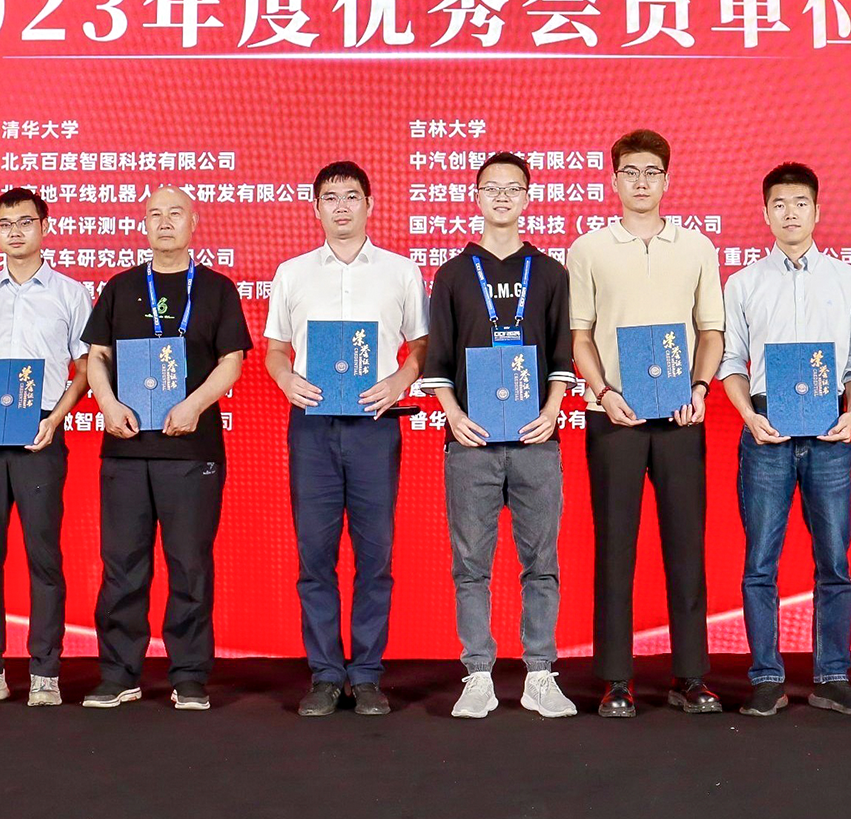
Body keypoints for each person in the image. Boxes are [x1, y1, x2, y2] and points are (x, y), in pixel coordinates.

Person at [568, 129, 724, 717]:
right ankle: (615, 679)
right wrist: (603, 392)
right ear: (614, 179)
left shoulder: (697, 247)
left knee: (686, 546)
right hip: (615, 415)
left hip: (681, 415)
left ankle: (691, 676)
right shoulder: (588, 249)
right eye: (630, 171)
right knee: (615, 547)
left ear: (667, 179)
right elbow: (580, 336)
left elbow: (711, 332)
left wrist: (699, 388)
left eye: (651, 172)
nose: (641, 182)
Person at [418, 152, 578, 719]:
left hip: (537, 441)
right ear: (477, 197)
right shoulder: (453, 274)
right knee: (470, 565)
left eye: (513, 188)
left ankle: (540, 674)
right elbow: (438, 358)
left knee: (542, 563)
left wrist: (553, 410)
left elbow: (562, 353)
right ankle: (478, 674)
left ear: (528, 198)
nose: (503, 197)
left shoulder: (551, 273)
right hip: (471, 443)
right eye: (492, 188)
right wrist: (453, 415)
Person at [265, 161, 426, 717]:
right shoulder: (292, 273)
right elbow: (276, 349)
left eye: (352, 196)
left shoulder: (400, 271)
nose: (341, 206)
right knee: (315, 555)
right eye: (330, 197)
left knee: (375, 555)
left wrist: (400, 380)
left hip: (374, 426)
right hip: (312, 426)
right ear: (315, 208)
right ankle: (326, 674)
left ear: (370, 204)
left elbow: (422, 345)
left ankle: (368, 674)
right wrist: (285, 380)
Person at [80, 186, 251, 710]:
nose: (164, 222)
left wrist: (194, 405)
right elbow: (96, 356)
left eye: (175, 213)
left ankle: (190, 675)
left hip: (192, 450)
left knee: (190, 565)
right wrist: (107, 403)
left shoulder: (217, 289)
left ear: (193, 222)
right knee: (121, 565)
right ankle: (119, 673)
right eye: (154, 214)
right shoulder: (120, 286)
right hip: (126, 449)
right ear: (144, 224)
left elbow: (232, 361)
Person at [718, 163, 851, 718]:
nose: (790, 213)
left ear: (817, 210)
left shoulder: (848, 280)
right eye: (779, 204)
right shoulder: (743, 283)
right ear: (765, 213)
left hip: (831, 428)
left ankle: (833, 676)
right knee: (761, 561)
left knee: (835, 558)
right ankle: (766, 677)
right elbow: (731, 361)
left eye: (800, 203)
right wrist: (747, 416)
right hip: (767, 428)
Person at [0, 188, 93, 708]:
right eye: (5, 223)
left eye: (25, 222)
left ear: (44, 227)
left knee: (43, 555)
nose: (15, 231)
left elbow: (86, 368)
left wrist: (55, 419)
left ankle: (45, 672)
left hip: (40, 432)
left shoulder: (70, 293)